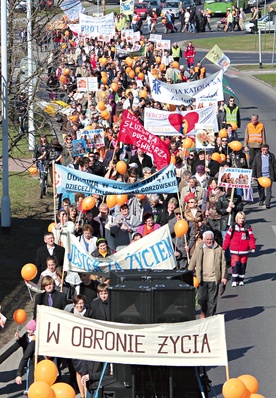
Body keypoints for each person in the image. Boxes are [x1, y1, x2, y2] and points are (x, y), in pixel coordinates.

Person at [188, 231, 227, 318]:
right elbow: (193, 261)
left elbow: (223, 264)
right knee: (202, 299)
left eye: (211, 239)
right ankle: (203, 311)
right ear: (203, 239)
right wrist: (188, 273)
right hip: (202, 278)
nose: (209, 241)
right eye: (207, 239)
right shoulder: (199, 248)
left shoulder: (218, 249)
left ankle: (210, 318)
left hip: (213, 279)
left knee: (212, 301)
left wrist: (224, 277)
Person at [223, 212, 256, 287]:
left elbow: (251, 238)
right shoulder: (233, 227)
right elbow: (227, 238)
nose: (241, 220)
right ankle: (234, 280)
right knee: (235, 265)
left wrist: (252, 247)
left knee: (243, 265)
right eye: (240, 218)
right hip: (234, 250)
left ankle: (241, 280)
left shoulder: (247, 227)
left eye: (242, 218)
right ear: (237, 219)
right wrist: (224, 248)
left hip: (244, 251)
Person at [15, 320, 37, 394]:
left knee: (32, 375)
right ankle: (29, 389)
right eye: (27, 329)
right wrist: (18, 339)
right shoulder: (26, 335)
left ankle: (30, 389)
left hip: (33, 359)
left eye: (30, 330)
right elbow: (23, 343)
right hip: (28, 358)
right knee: (29, 373)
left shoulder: (35, 339)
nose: (28, 331)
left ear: (34, 330)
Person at [251, 144, 276, 208]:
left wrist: (274, 176)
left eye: (266, 150)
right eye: (263, 150)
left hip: (269, 176)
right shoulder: (258, 156)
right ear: (261, 150)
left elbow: (274, 166)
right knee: (260, 190)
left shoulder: (271, 156)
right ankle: (262, 200)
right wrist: (253, 175)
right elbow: (254, 166)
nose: (265, 151)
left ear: (268, 150)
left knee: (269, 191)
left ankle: (267, 203)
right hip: (260, 176)